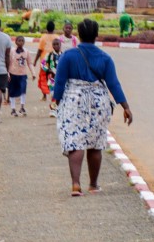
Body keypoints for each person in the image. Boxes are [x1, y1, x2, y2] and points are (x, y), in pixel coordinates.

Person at [51, 18, 132, 197]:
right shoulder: (105, 58)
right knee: (95, 143)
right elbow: (114, 84)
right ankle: (94, 185)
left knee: (75, 140)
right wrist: (125, 107)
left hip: (73, 100)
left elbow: (60, 81)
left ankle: (75, 184)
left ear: (78, 35)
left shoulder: (68, 55)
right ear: (96, 35)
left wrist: (56, 100)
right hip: (98, 101)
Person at [7, 35, 31, 117]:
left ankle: (22, 107)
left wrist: (33, 73)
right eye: (19, 41)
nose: (21, 42)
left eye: (22, 41)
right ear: (16, 42)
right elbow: (8, 62)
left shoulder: (26, 52)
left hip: (23, 74)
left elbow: (29, 63)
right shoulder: (12, 51)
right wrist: (7, 73)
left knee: (23, 90)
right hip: (13, 74)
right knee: (12, 92)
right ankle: (13, 109)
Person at [40, 37, 62, 116]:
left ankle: (58, 109)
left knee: (60, 94)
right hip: (52, 78)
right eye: (54, 44)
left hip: (61, 78)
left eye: (57, 44)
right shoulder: (49, 55)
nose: (56, 46)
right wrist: (48, 70)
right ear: (52, 46)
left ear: (60, 45)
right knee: (52, 94)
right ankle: (52, 110)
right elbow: (42, 64)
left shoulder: (63, 55)